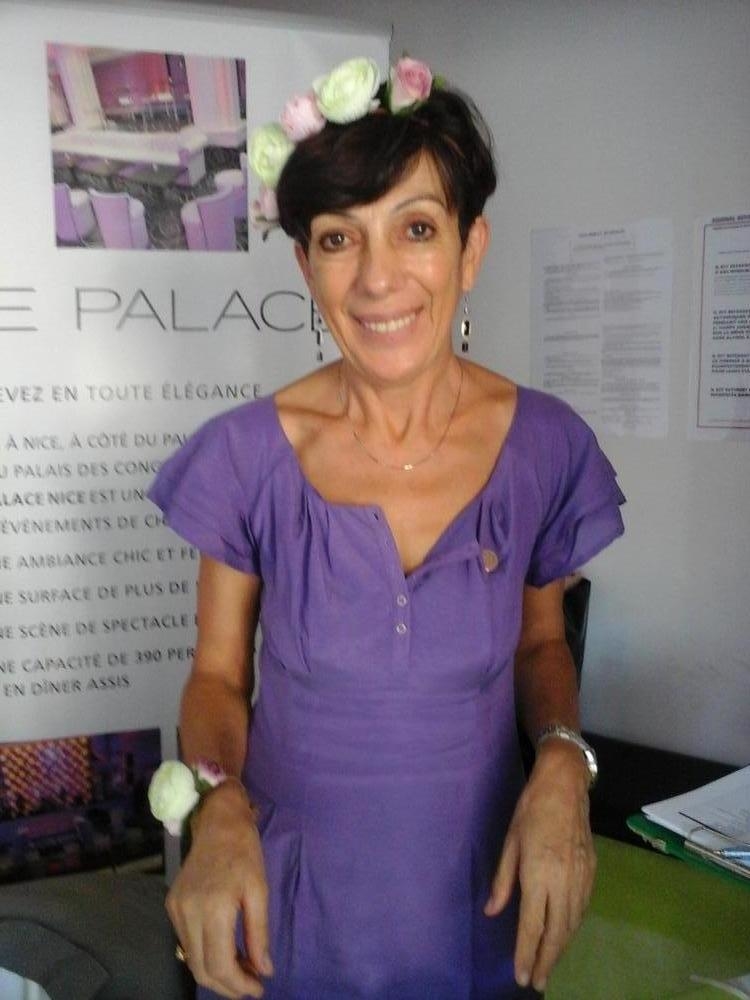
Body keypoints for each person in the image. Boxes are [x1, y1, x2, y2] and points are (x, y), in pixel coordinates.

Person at [148, 56, 625, 1000]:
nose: (377, 279)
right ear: (306, 265)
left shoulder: (546, 447)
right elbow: (217, 677)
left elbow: (541, 647)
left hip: (482, 895)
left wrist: (563, 760)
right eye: (339, 238)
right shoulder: (246, 455)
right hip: (287, 904)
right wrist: (219, 802)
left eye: (415, 229)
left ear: (470, 248)